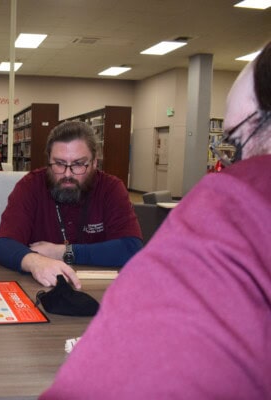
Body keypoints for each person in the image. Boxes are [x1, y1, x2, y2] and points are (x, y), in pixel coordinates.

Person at [40, 41, 271, 399]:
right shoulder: (32, 186)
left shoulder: (238, 202)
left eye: (236, 142)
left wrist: (64, 251)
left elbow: (114, 373)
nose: (233, 164)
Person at [0, 120, 143, 288]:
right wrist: (33, 261)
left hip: (101, 288)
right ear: (48, 161)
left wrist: (63, 252)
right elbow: (3, 246)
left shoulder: (111, 188)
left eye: (78, 164)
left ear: (94, 163)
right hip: (43, 286)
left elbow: (131, 248)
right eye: (59, 163)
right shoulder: (30, 186)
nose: (67, 174)